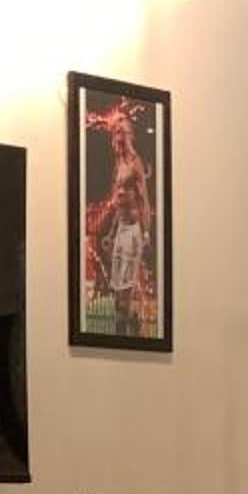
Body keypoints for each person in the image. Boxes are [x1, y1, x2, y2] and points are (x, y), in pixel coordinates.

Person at [80, 95, 160, 332]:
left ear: (129, 135)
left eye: (122, 133)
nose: (118, 137)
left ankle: (125, 327)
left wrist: (145, 234)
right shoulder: (119, 163)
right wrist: (112, 232)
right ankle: (126, 326)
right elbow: (117, 202)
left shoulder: (135, 163)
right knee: (117, 285)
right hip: (121, 229)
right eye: (116, 133)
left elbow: (144, 200)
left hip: (133, 231)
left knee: (125, 287)